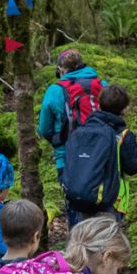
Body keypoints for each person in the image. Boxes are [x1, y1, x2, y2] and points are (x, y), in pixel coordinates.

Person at [61, 84, 137, 229]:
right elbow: (133, 167)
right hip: (111, 199)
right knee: (105, 241)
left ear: (100, 104)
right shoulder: (122, 135)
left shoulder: (81, 130)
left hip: (81, 196)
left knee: (86, 237)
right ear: (124, 109)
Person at [37, 49, 108, 182]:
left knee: (74, 198)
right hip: (102, 152)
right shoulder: (102, 85)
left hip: (67, 156)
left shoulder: (55, 90)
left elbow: (44, 128)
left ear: (60, 69)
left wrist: (57, 139)